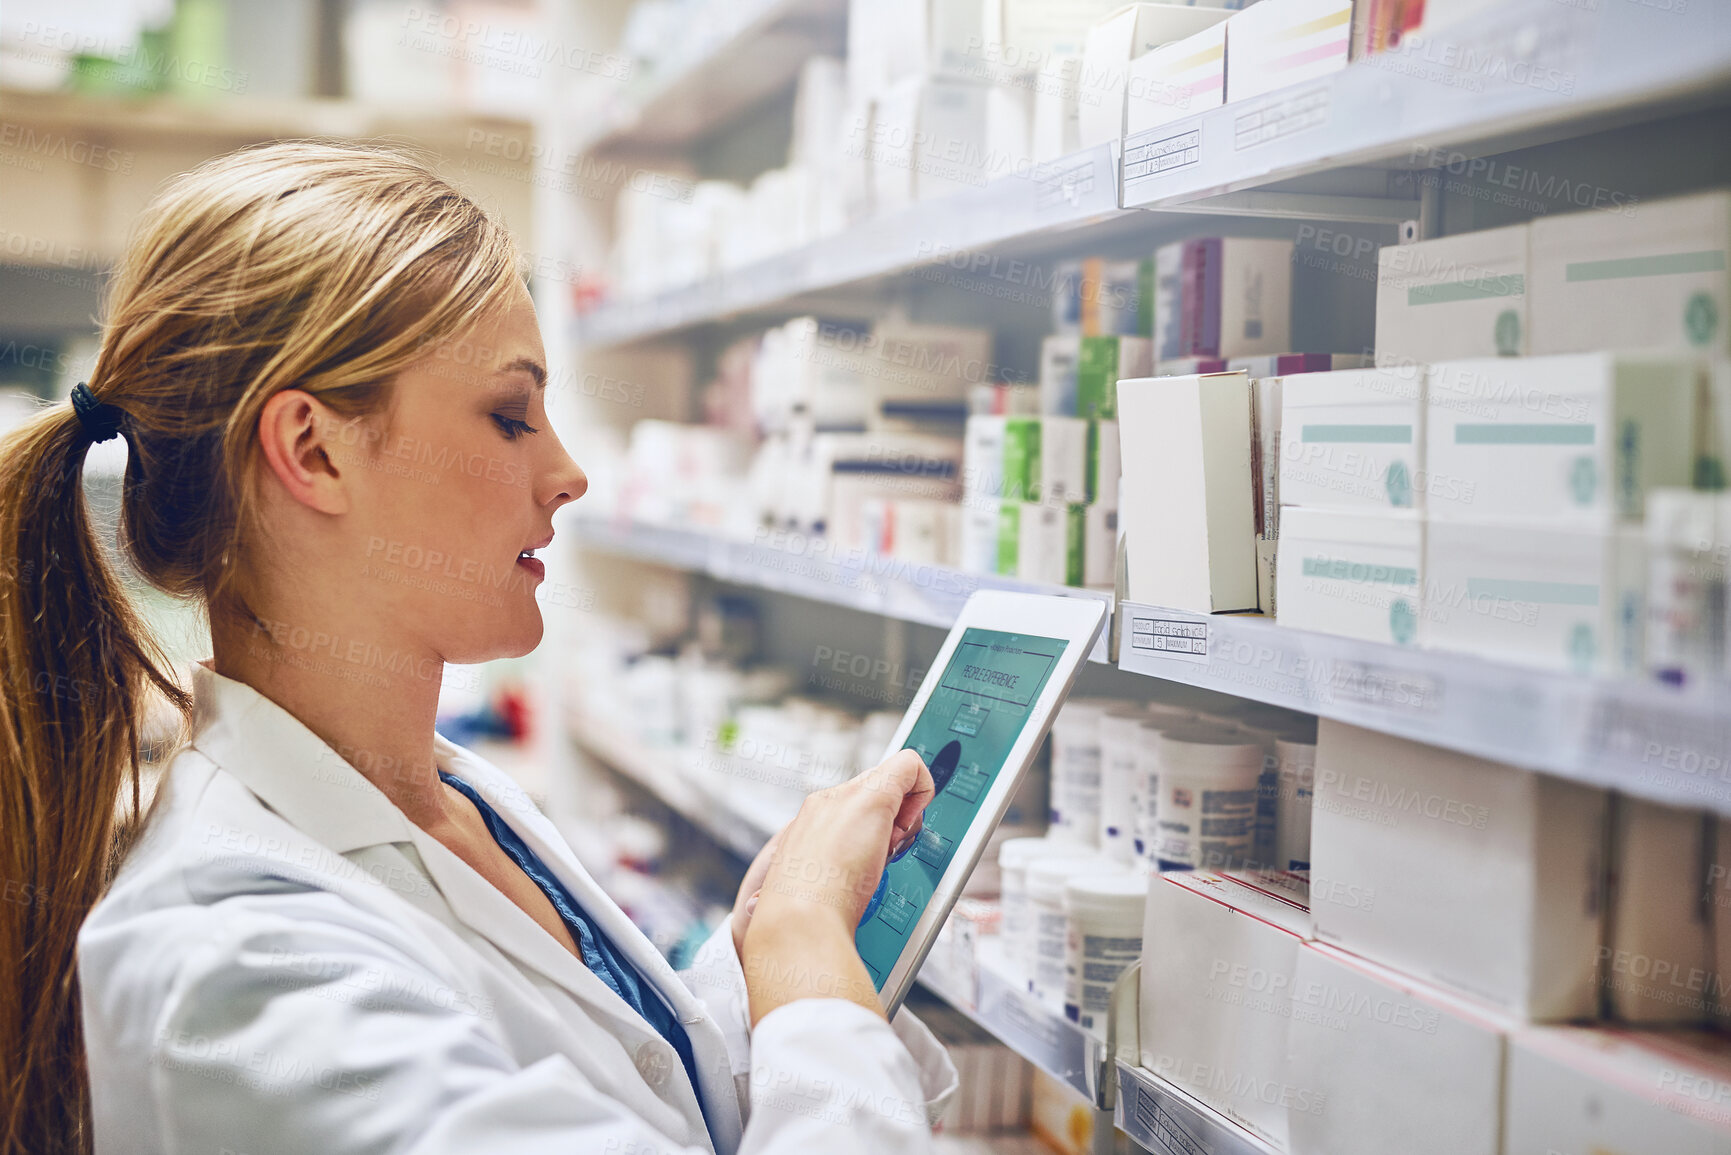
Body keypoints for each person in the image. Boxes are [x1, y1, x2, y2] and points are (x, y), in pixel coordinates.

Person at [0, 142, 952, 1155]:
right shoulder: (242, 962)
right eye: (510, 416)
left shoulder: (454, 805)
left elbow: (629, 1090)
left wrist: (769, 940)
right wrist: (807, 964)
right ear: (313, 450)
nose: (569, 473)